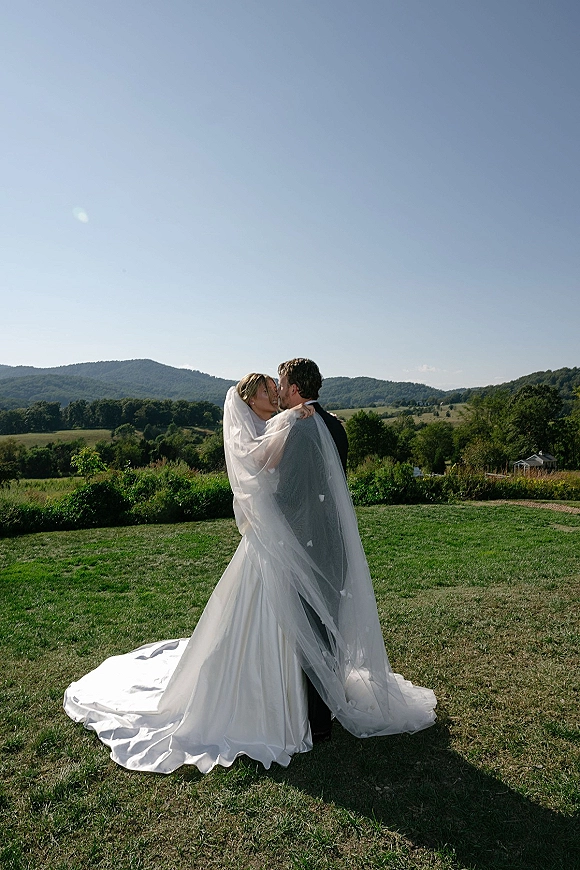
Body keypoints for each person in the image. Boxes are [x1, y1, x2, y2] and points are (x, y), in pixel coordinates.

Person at [64, 370, 436, 775]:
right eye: (266, 389)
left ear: (293, 389)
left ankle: (306, 701)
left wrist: (293, 418)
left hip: (293, 540)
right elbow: (258, 466)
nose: (274, 392)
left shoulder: (289, 422)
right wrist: (294, 417)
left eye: (278, 386)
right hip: (276, 540)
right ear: (249, 400)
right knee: (273, 619)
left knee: (295, 620)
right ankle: (278, 702)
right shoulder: (283, 424)